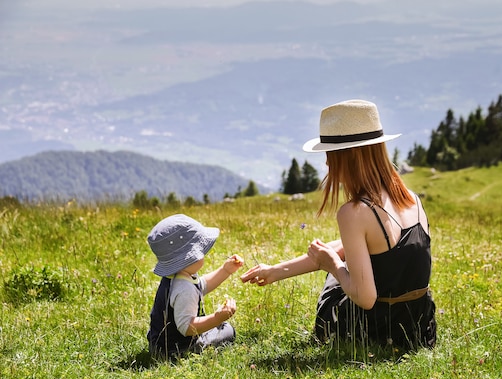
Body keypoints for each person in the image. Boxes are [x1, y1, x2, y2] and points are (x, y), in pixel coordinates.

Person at [241, 99, 436, 349]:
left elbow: (365, 299)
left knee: (340, 270)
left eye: (329, 155)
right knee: (344, 256)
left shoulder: (354, 212)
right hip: (418, 329)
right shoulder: (411, 199)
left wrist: (332, 265)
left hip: (374, 332)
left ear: (349, 156)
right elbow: (363, 248)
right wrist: (276, 271)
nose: (326, 163)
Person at [146, 213, 243, 359]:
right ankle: (185, 353)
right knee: (227, 330)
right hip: (175, 349)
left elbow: (201, 286)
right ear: (189, 257)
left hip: (158, 343)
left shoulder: (176, 277)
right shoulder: (184, 289)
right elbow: (187, 328)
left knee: (217, 328)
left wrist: (225, 270)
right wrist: (217, 318)